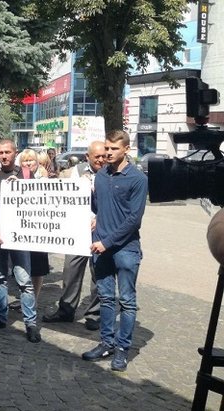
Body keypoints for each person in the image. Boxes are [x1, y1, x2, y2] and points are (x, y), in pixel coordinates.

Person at [82, 130, 147, 372]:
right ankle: (106, 343)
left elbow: (133, 220)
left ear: (126, 150)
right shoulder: (100, 176)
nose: (108, 153)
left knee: (127, 302)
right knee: (106, 299)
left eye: (113, 149)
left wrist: (107, 242)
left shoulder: (138, 179)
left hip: (125, 249)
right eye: (106, 149)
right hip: (101, 249)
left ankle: (122, 350)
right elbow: (98, 208)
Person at [0, 139, 41, 343]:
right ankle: (0, 317)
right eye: (0, 152)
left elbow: (39, 205)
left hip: (19, 239)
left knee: (25, 282)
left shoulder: (26, 175)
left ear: (16, 153)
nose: (4, 156)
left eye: (7, 152)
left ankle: (30, 324)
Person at [43, 141, 106, 330]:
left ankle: (95, 314)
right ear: (88, 157)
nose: (101, 160)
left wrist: (101, 219)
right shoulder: (76, 171)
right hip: (78, 229)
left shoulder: (111, 174)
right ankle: (66, 310)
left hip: (101, 231)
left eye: (104, 156)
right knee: (71, 270)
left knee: (98, 273)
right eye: (97, 157)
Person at [18, 149, 49, 300]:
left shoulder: (43, 179)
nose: (28, 163)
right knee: (22, 266)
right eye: (25, 160)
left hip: (39, 230)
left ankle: (34, 299)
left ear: (37, 162)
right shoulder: (17, 177)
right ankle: (24, 297)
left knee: (37, 267)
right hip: (22, 228)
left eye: (31, 160)